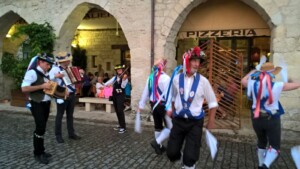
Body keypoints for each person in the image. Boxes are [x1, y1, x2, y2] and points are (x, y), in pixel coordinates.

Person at [166, 46, 218, 169]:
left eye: (198, 61)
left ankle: (189, 162)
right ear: (187, 61)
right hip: (178, 121)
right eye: (194, 60)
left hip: (195, 123)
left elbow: (213, 103)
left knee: (190, 158)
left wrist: (211, 122)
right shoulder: (177, 79)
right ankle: (183, 156)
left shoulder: (203, 81)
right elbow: (173, 97)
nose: (196, 64)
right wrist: (172, 112)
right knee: (171, 153)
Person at [241, 62, 300, 169]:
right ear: (272, 74)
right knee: (274, 145)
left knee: (261, 141)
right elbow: (296, 85)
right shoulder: (278, 86)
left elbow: (243, 80)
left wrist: (254, 71)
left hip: (256, 119)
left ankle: (260, 164)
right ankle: (265, 165)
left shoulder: (252, 84)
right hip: (272, 119)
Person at [21, 54, 55, 164]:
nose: (48, 66)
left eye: (49, 65)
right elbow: (24, 88)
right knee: (40, 127)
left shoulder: (46, 74)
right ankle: (37, 153)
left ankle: (41, 150)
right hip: (36, 103)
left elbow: (48, 88)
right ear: (40, 62)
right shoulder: (32, 73)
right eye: (47, 64)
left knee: (43, 127)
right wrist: (41, 86)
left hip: (46, 103)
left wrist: (61, 93)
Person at [137, 58, 172, 155]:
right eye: (165, 65)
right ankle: (157, 143)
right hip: (163, 106)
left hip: (154, 105)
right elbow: (169, 95)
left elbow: (145, 92)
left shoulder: (150, 77)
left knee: (158, 126)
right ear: (163, 67)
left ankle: (159, 147)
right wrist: (169, 108)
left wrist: (141, 105)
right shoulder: (166, 78)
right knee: (171, 127)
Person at [49, 52, 81, 143]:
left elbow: (75, 80)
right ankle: (58, 135)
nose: (69, 61)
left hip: (71, 94)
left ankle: (71, 134)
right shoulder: (55, 69)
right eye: (68, 60)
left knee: (70, 115)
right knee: (59, 115)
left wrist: (80, 75)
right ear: (64, 61)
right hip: (61, 95)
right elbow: (48, 78)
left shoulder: (70, 69)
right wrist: (56, 76)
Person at [104, 64, 128, 134]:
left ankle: (123, 127)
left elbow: (123, 86)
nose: (119, 70)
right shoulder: (115, 77)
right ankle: (120, 125)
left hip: (120, 96)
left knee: (120, 110)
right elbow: (106, 83)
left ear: (123, 70)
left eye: (120, 69)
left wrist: (123, 80)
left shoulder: (124, 77)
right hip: (114, 95)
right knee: (117, 111)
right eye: (118, 70)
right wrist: (108, 85)